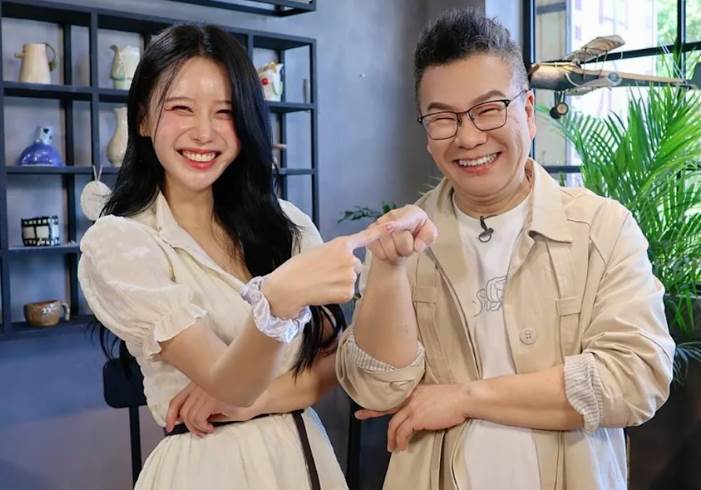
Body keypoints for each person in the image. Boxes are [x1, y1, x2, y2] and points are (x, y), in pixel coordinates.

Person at [336, 9, 675, 490]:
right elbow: (377, 389)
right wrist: (390, 269)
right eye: (443, 118)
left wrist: (464, 398)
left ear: (529, 112)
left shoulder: (601, 228)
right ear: (426, 133)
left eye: (489, 109)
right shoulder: (402, 240)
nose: (469, 136)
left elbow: (635, 377)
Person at [78, 24, 384, 490]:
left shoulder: (286, 223)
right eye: (180, 108)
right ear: (142, 119)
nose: (204, 133)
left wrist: (260, 401)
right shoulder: (121, 243)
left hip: (305, 459)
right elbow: (230, 383)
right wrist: (279, 299)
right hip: (209, 467)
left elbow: (333, 364)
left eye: (225, 111)